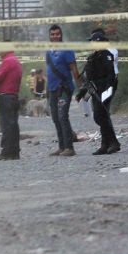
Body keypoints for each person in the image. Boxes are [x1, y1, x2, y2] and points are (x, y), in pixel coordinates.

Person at [77, 28, 121, 155]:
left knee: (101, 115)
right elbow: (87, 77)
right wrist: (81, 93)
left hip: (106, 90)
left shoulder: (107, 55)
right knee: (99, 117)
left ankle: (113, 143)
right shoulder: (93, 56)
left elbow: (111, 76)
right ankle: (106, 144)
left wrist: (106, 92)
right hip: (95, 90)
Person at [46, 24, 82, 157]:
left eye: (57, 34)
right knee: (55, 118)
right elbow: (49, 70)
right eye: (52, 34)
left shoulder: (67, 50)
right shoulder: (48, 51)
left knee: (62, 116)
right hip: (52, 89)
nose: (55, 36)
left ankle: (69, 148)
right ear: (49, 36)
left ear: (61, 35)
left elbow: (74, 68)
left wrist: (81, 88)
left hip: (64, 89)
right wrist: (47, 90)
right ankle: (61, 147)